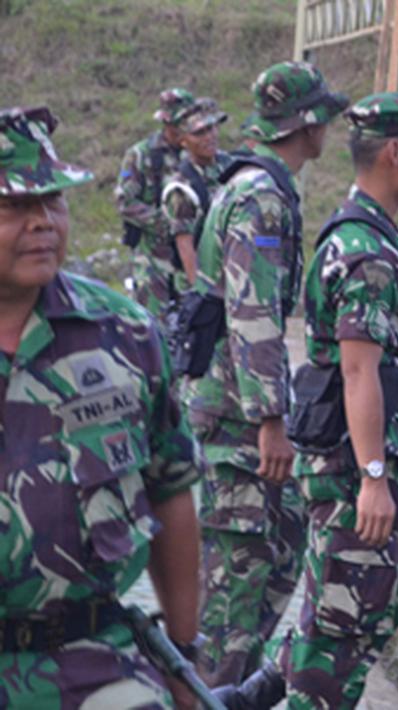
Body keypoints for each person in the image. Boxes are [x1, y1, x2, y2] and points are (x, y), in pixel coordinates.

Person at [0, 106, 202, 708]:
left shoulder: (124, 333)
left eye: (54, 202)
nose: (43, 223)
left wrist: (184, 656)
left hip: (92, 658)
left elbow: (171, 489)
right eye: (15, 207)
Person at [272, 91, 398, 710]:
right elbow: (358, 370)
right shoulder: (367, 253)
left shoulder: (368, 236)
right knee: (340, 633)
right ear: (395, 152)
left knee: (369, 606)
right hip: (354, 469)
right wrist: (374, 476)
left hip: (359, 461)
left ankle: (260, 691)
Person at [181, 61, 347, 688]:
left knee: (265, 562)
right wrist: (270, 421)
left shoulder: (250, 185)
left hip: (228, 408)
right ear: (307, 124)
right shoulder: (261, 197)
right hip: (236, 419)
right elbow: (253, 315)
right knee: (234, 591)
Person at [115, 87, 194, 323]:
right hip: (152, 257)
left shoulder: (196, 153)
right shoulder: (141, 154)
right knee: (149, 326)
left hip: (189, 255)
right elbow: (125, 201)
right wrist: (164, 222)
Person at [161, 97, 232, 291]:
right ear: (183, 141)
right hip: (203, 282)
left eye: (212, 128)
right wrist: (202, 293)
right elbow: (185, 245)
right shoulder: (182, 186)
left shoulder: (230, 164)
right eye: (199, 133)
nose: (209, 136)